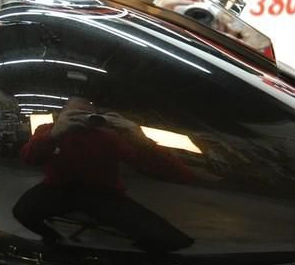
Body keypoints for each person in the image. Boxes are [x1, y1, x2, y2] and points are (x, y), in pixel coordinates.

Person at [12, 97, 195, 252]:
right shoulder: (48, 129)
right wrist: (53, 135)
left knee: (170, 238)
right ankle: (52, 237)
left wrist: (140, 139)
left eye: (88, 115)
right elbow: (29, 159)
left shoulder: (108, 136)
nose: (82, 120)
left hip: (102, 192)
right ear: (62, 114)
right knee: (22, 212)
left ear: (98, 118)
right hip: (57, 187)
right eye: (75, 115)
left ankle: (142, 251)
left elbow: (175, 173)